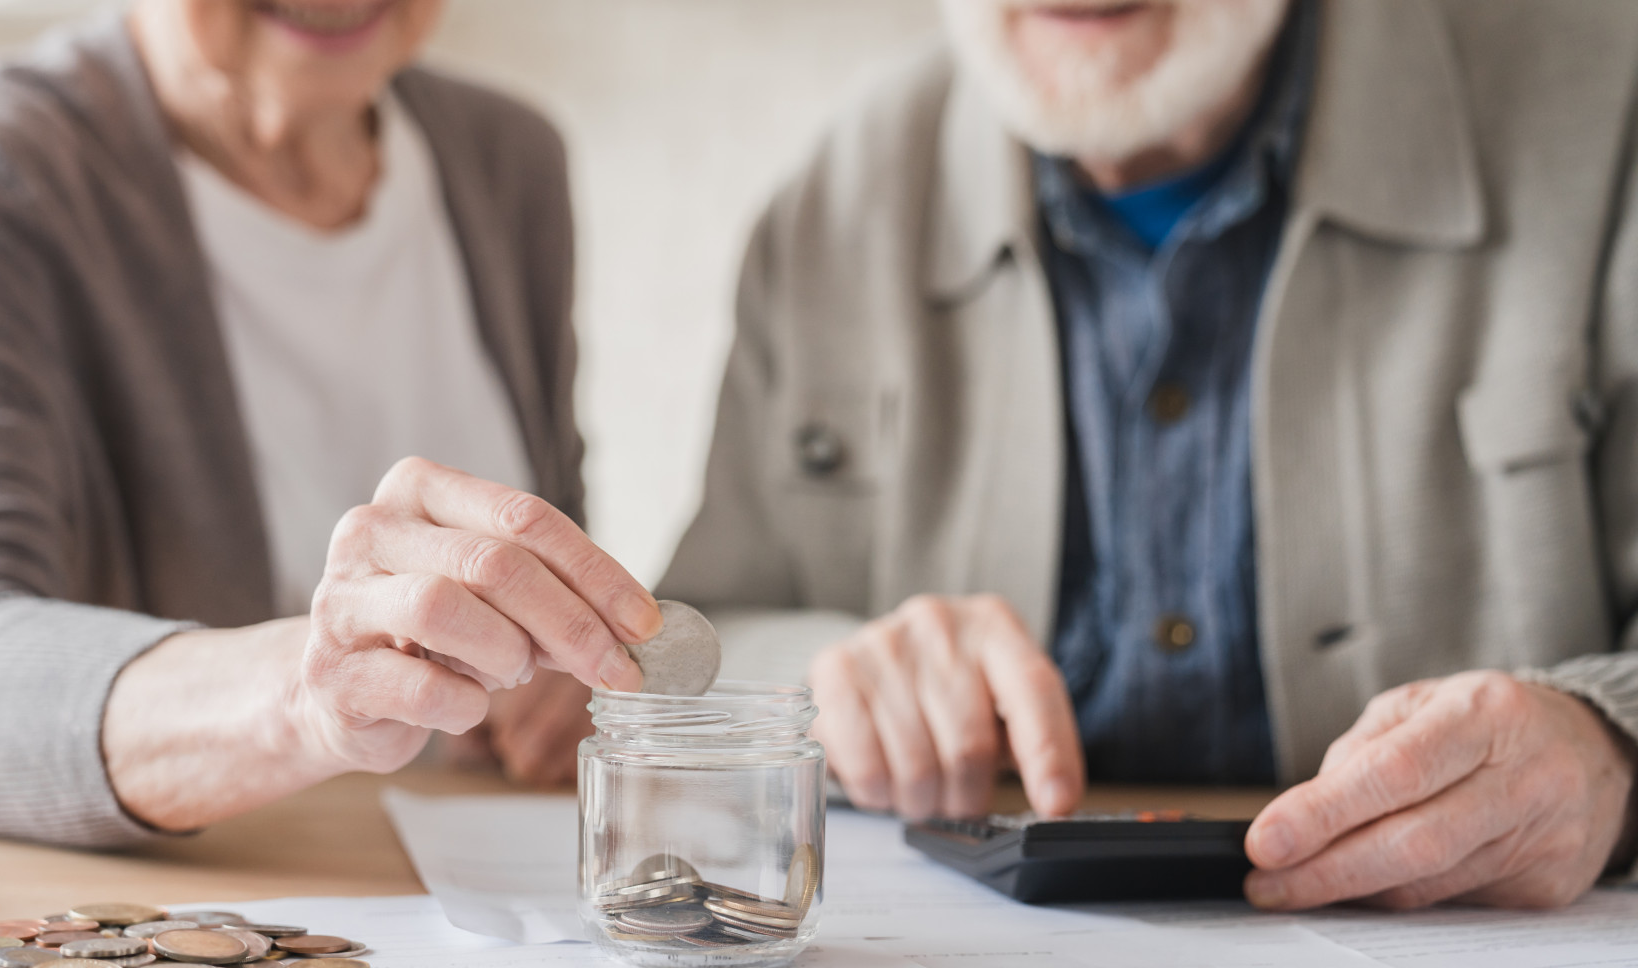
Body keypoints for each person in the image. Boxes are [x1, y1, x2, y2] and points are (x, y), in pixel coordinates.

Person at [663, 0, 1638, 910]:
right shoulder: (837, 202)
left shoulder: (1607, 109)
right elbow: (683, 655)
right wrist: (826, 680)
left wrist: (1606, 744)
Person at [0, 0, 650, 848]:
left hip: (482, 896)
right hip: (208, 910)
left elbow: (553, 560)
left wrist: (556, 661)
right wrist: (306, 697)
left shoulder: (509, 158)